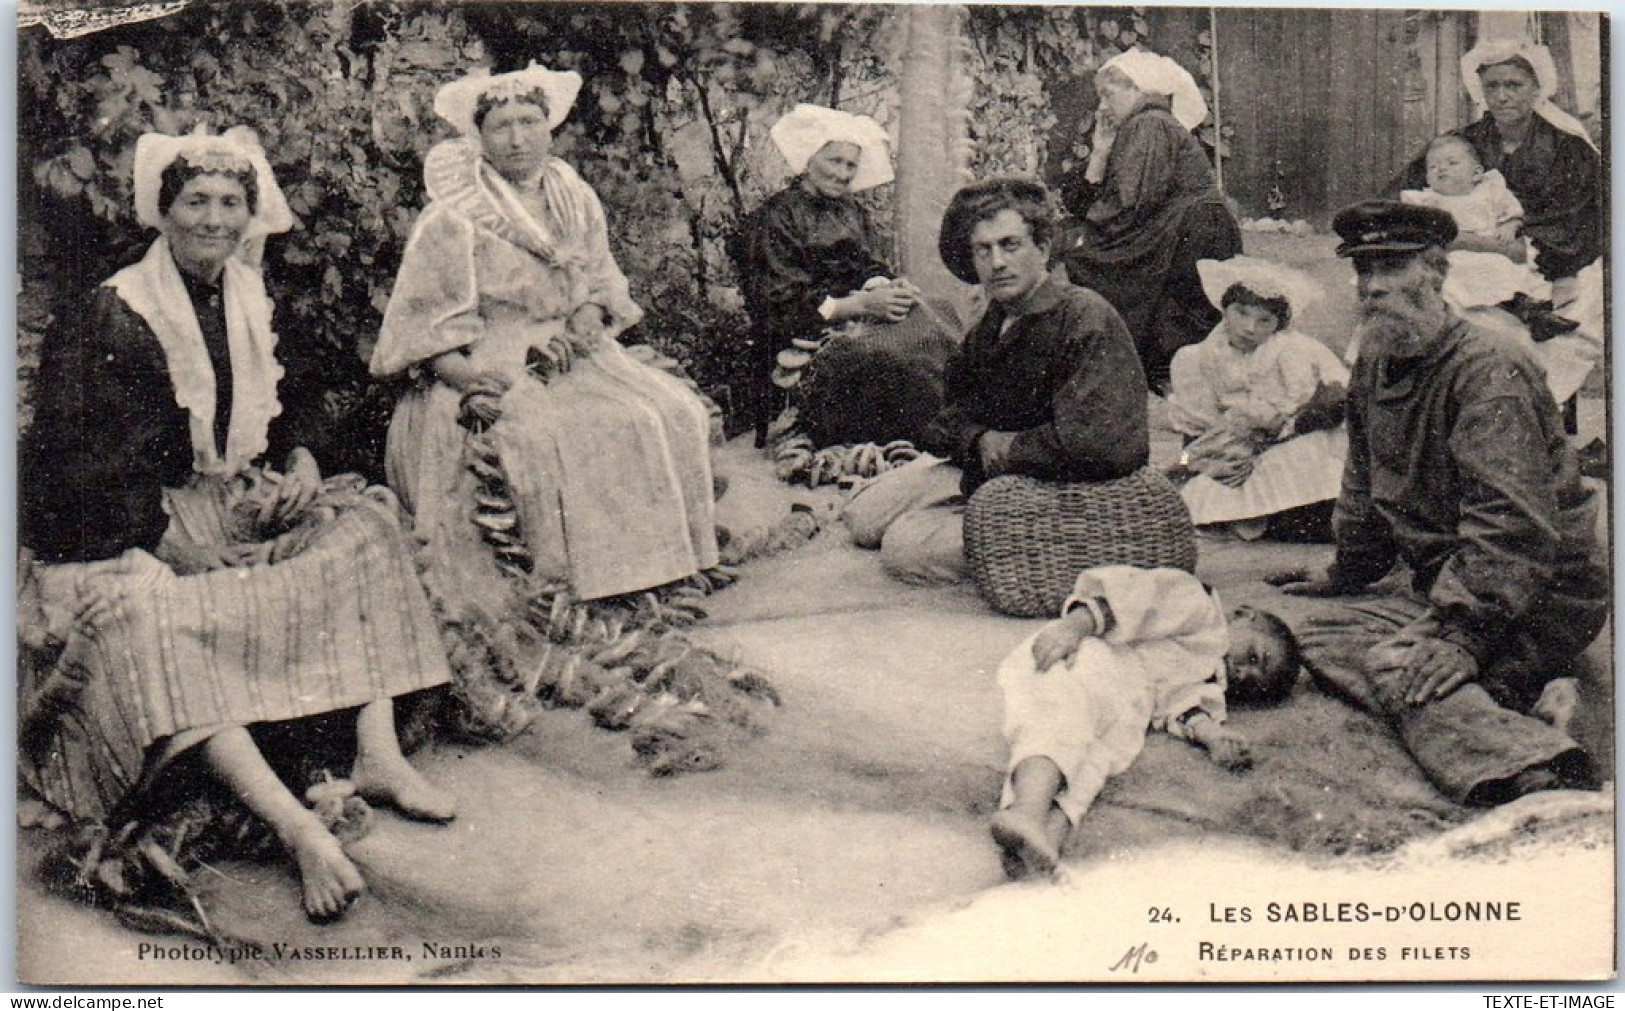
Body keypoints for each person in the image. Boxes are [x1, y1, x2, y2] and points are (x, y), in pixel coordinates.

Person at [18, 127, 456, 922]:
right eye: (196, 202)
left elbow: (289, 405)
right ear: (164, 211)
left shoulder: (248, 294)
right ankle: (298, 828)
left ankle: (376, 750)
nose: (214, 220)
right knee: (154, 620)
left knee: (366, 526)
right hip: (123, 525)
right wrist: (167, 540)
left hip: (230, 502)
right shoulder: (115, 315)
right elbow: (66, 467)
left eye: (229, 203)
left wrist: (300, 461)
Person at [1270, 200, 1607, 806]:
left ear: (1435, 271)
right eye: (1363, 270)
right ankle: (1508, 694)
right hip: (1449, 583)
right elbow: (1364, 484)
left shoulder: (1486, 369)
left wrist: (1462, 637)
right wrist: (1345, 572)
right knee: (1317, 636)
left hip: (1540, 591)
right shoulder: (1376, 361)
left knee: (1400, 660)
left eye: (1391, 268)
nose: (1371, 287)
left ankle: (1536, 771)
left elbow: (1512, 526)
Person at [371, 64, 719, 607]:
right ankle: (576, 583)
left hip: (574, 349)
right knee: (552, 433)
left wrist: (588, 314)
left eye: (529, 122)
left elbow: (600, 279)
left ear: (549, 127)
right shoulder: (453, 217)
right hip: (490, 355)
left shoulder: (569, 194)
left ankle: (659, 565)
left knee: (673, 411)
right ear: (479, 137)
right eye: (501, 126)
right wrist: (479, 382)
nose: (516, 138)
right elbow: (427, 334)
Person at [843, 177, 1148, 585]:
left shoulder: (1084, 318)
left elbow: (1102, 445)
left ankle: (1047, 554)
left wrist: (1009, 447)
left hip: (1065, 488)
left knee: (904, 550)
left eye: (1010, 245)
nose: (997, 262)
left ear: (1042, 248)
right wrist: (978, 440)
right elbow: (949, 413)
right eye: (982, 250)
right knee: (864, 516)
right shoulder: (993, 322)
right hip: (993, 469)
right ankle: (978, 524)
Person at [990, 565, 1301, 878]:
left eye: (1252, 683)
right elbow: (1133, 599)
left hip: (1130, 702)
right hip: (1091, 657)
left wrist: (1213, 736)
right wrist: (1074, 628)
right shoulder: (1198, 607)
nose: (1244, 673)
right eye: (1253, 657)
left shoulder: (1210, 683)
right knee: (1060, 721)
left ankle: (1042, 844)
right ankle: (1028, 810)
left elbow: (1184, 707)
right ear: (1245, 614)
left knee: (1097, 762)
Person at [1387, 38, 1603, 405]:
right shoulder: (1460, 144)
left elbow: (1581, 221)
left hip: (1550, 257)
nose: (1502, 96)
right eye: (1493, 86)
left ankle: (1524, 401)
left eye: (1514, 85)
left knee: (1584, 301)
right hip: (1458, 251)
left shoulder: (1568, 149)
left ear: (1537, 88)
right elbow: (1402, 197)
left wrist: (1508, 242)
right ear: (1480, 91)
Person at [738, 104, 952, 450]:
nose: (843, 173)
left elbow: (867, 264)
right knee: (899, 353)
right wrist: (859, 305)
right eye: (834, 161)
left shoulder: (850, 211)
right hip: (807, 331)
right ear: (809, 160)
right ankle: (929, 433)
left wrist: (888, 286)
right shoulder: (776, 217)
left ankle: (956, 421)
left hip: (858, 316)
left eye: (851, 164)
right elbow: (781, 303)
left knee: (937, 312)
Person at [1058, 49, 1242, 392]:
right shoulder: (1135, 127)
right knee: (1081, 246)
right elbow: (1086, 201)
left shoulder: (1151, 123)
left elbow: (1131, 203)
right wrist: (1100, 151)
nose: (1101, 107)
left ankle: (1141, 364)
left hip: (1194, 232)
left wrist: (1087, 234)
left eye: (1108, 95)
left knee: (1083, 251)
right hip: (1174, 228)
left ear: (1137, 91)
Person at [1166, 256, 1349, 540]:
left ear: (1278, 324)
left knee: (1302, 460)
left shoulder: (1295, 351)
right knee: (1197, 490)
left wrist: (1286, 427)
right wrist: (1188, 461)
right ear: (1224, 309)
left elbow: (1334, 399)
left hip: (1293, 436)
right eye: (1241, 313)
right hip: (1232, 445)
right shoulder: (1197, 358)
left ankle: (1296, 518)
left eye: (1265, 320)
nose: (1250, 328)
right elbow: (1196, 430)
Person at [1398, 134, 1575, 339]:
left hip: (1494, 253)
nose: (1441, 169)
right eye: (1433, 167)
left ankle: (1533, 314)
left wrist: (1509, 226)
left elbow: (1513, 216)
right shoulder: (1428, 200)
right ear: (1427, 178)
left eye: (1452, 163)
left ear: (1476, 173)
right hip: (1453, 258)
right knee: (1454, 281)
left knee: (1506, 272)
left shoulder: (1490, 191)